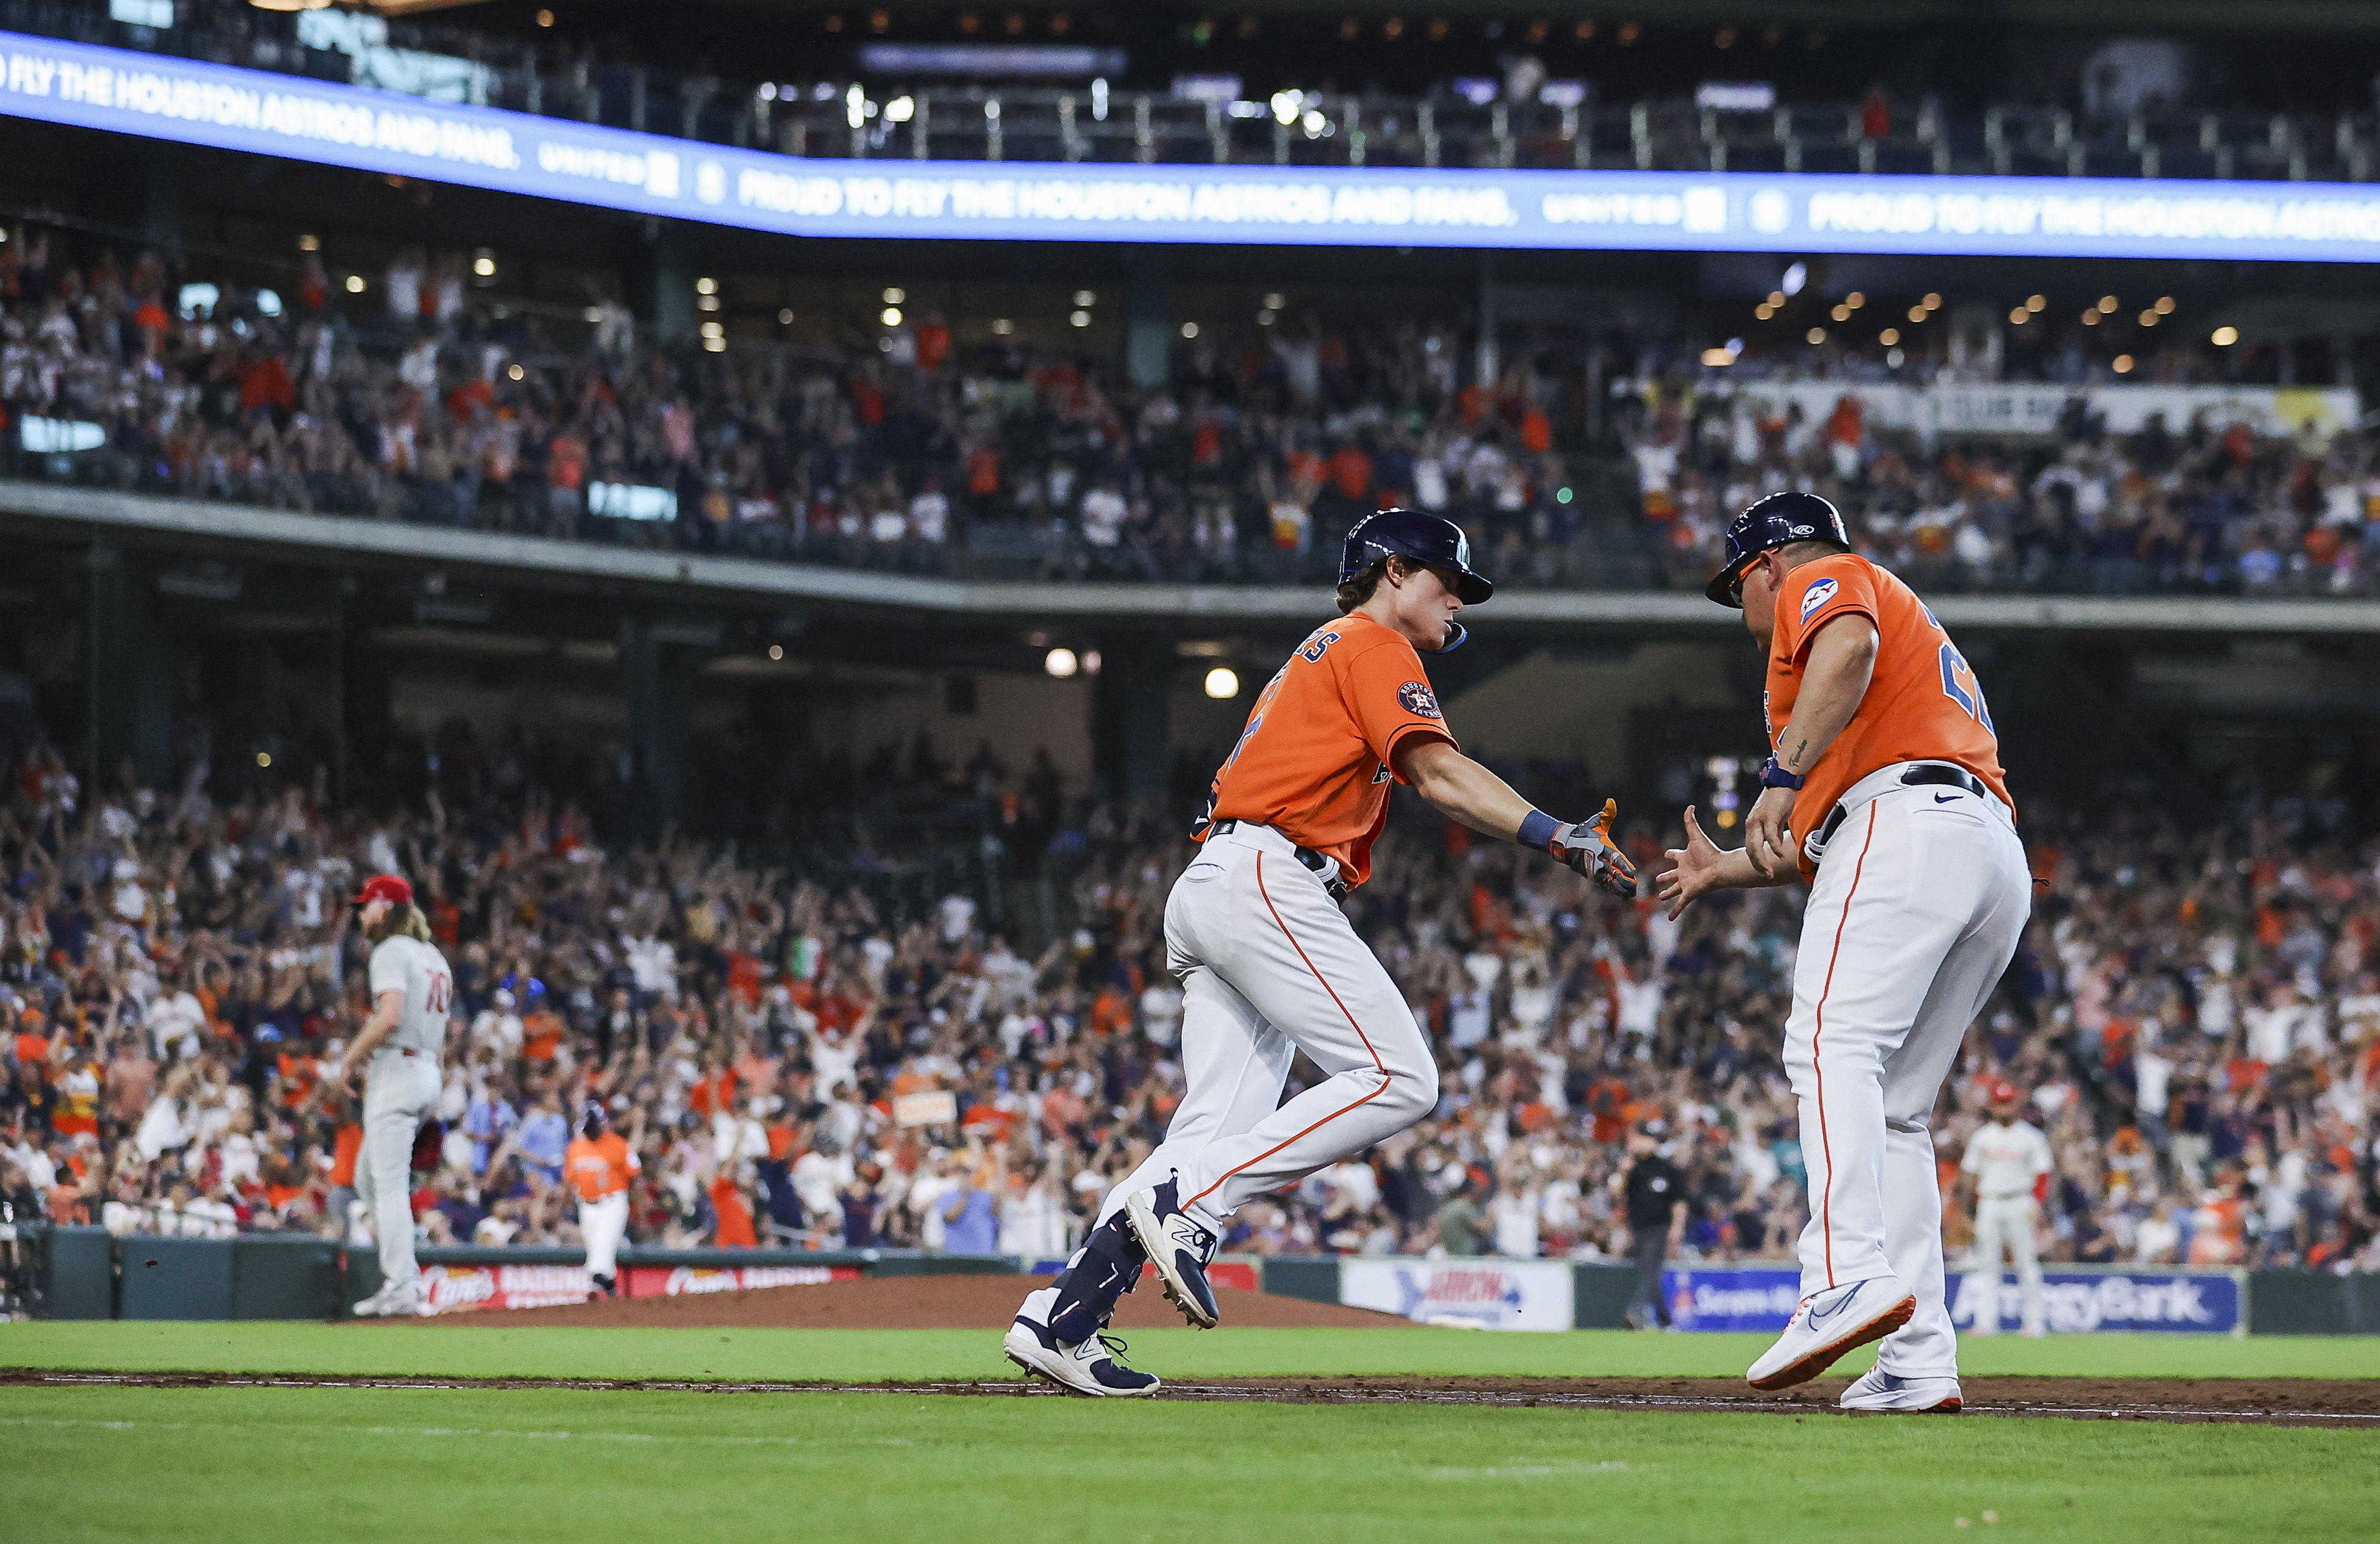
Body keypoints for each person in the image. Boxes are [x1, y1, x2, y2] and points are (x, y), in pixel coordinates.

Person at [1005, 510, 1638, 1397]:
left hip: (1223, 878)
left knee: (1207, 1131)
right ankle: (1193, 1203)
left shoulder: (1328, 646)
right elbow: (1438, 773)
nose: (1455, 599)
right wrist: (1553, 834)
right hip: (1266, 873)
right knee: (1400, 1076)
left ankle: (1064, 1316)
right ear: (1390, 572)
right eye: (1442, 580)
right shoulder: (1374, 642)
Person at [1655, 489, 2028, 1414]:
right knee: (1895, 1109)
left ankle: (1840, 1274)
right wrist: (1726, 870)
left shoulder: (1819, 576)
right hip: (1979, 850)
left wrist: (1780, 770)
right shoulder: (1899, 646)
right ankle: (1916, 1360)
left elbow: (1847, 649)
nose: (1740, 612)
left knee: (1825, 1045)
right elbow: (1825, 842)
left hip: (1908, 824)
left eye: (1734, 586)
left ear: (1764, 563)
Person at [332, 874, 454, 1318]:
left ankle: (403, 1286)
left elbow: (389, 1016)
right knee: (368, 1180)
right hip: (425, 1068)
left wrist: (348, 1059)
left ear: (385, 907)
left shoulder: (390, 950)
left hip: (397, 1072)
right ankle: (403, 1280)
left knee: (387, 1185)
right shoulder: (434, 956)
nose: (361, 914)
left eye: (366, 906)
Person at [1961, 1081, 2052, 1338]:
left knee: (2026, 1263)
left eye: (2008, 1102)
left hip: (2020, 1200)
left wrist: (2037, 1202)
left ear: (2016, 1103)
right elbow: (1970, 1175)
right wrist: (1970, 1211)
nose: (2004, 1108)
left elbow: (2043, 1173)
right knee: (1987, 1266)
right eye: (2000, 1103)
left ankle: (2034, 1323)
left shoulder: (2030, 1136)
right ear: (1993, 1106)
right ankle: (1986, 1323)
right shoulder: (1983, 1136)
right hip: (1989, 1201)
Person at [566, 1100, 640, 1298]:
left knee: (602, 1244)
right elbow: (570, 1179)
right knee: (595, 1247)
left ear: (601, 1123)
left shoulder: (618, 1145)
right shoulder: (576, 1147)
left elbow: (635, 1176)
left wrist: (636, 1206)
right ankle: (610, 1289)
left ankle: (595, 1285)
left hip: (612, 1202)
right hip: (586, 1205)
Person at [1621, 1125, 1687, 1330]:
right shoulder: (1633, 1169)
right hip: (1638, 1228)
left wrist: (1677, 1228)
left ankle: (1635, 1311)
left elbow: (1679, 1202)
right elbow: (1616, 1194)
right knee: (1650, 1274)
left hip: (1659, 1227)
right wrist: (1623, 1172)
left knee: (1650, 1272)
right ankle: (1666, 1321)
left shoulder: (1666, 1169)